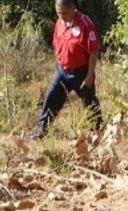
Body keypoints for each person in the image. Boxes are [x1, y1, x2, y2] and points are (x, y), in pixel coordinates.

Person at [34, 0, 102, 138]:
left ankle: (97, 131)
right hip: (62, 70)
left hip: (81, 72)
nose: (61, 16)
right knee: (51, 98)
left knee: (89, 103)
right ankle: (41, 131)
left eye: (64, 13)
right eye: (58, 13)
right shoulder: (59, 22)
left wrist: (89, 76)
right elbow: (57, 43)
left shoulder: (85, 23)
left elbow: (93, 51)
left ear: (73, 8)